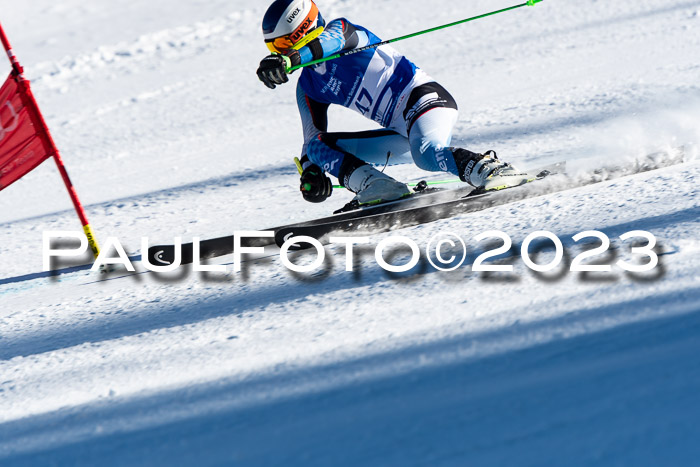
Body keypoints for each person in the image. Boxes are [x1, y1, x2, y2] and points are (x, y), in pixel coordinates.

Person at [256, 0, 530, 205]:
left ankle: (491, 170)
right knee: (317, 148)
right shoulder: (308, 85)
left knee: (426, 153)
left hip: (425, 101)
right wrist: (312, 173)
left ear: (301, 31)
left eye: (282, 45)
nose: (282, 52)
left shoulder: (343, 31)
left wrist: (288, 60)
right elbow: (311, 140)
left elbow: (329, 42)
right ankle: (377, 186)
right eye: (274, 49)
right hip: (402, 134)